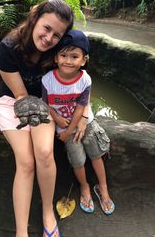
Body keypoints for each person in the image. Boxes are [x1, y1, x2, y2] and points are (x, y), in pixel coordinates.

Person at [0, 0, 75, 237]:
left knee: (44, 152)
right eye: (47, 28)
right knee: (26, 162)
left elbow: (73, 81)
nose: (49, 38)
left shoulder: (59, 51)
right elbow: (20, 95)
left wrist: (79, 114)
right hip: (14, 102)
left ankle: (48, 212)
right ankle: (21, 231)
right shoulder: (9, 47)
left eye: (57, 35)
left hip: (45, 104)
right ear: (35, 19)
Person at [42, 29, 115, 216]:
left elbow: (82, 106)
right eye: (63, 55)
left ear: (83, 60)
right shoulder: (48, 80)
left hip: (83, 122)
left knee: (96, 153)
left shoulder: (84, 80)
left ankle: (103, 187)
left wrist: (71, 129)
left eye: (74, 56)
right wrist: (57, 118)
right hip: (63, 126)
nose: (68, 60)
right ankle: (84, 187)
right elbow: (44, 103)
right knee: (78, 160)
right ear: (56, 58)